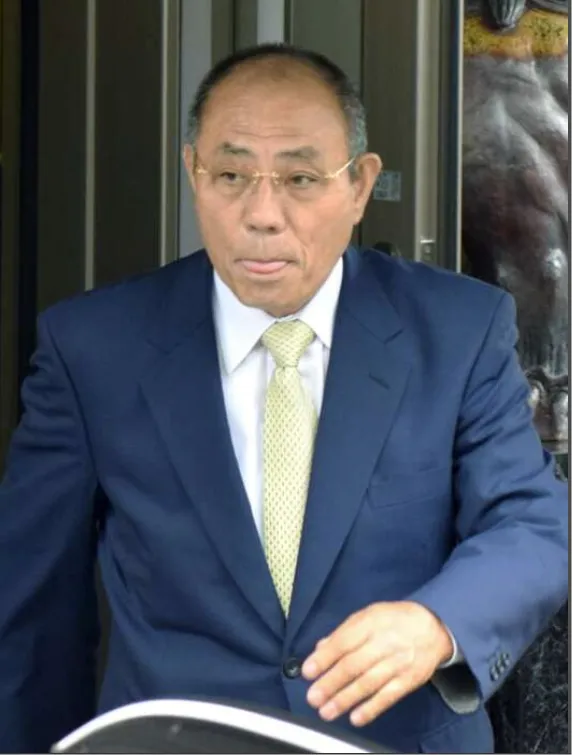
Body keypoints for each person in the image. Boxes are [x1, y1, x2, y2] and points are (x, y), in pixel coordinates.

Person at [0, 43, 567, 754]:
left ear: (359, 186)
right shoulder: (93, 348)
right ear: (193, 174)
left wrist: (437, 624)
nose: (262, 214)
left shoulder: (457, 331)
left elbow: (531, 522)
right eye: (231, 175)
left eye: (300, 178)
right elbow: (33, 615)